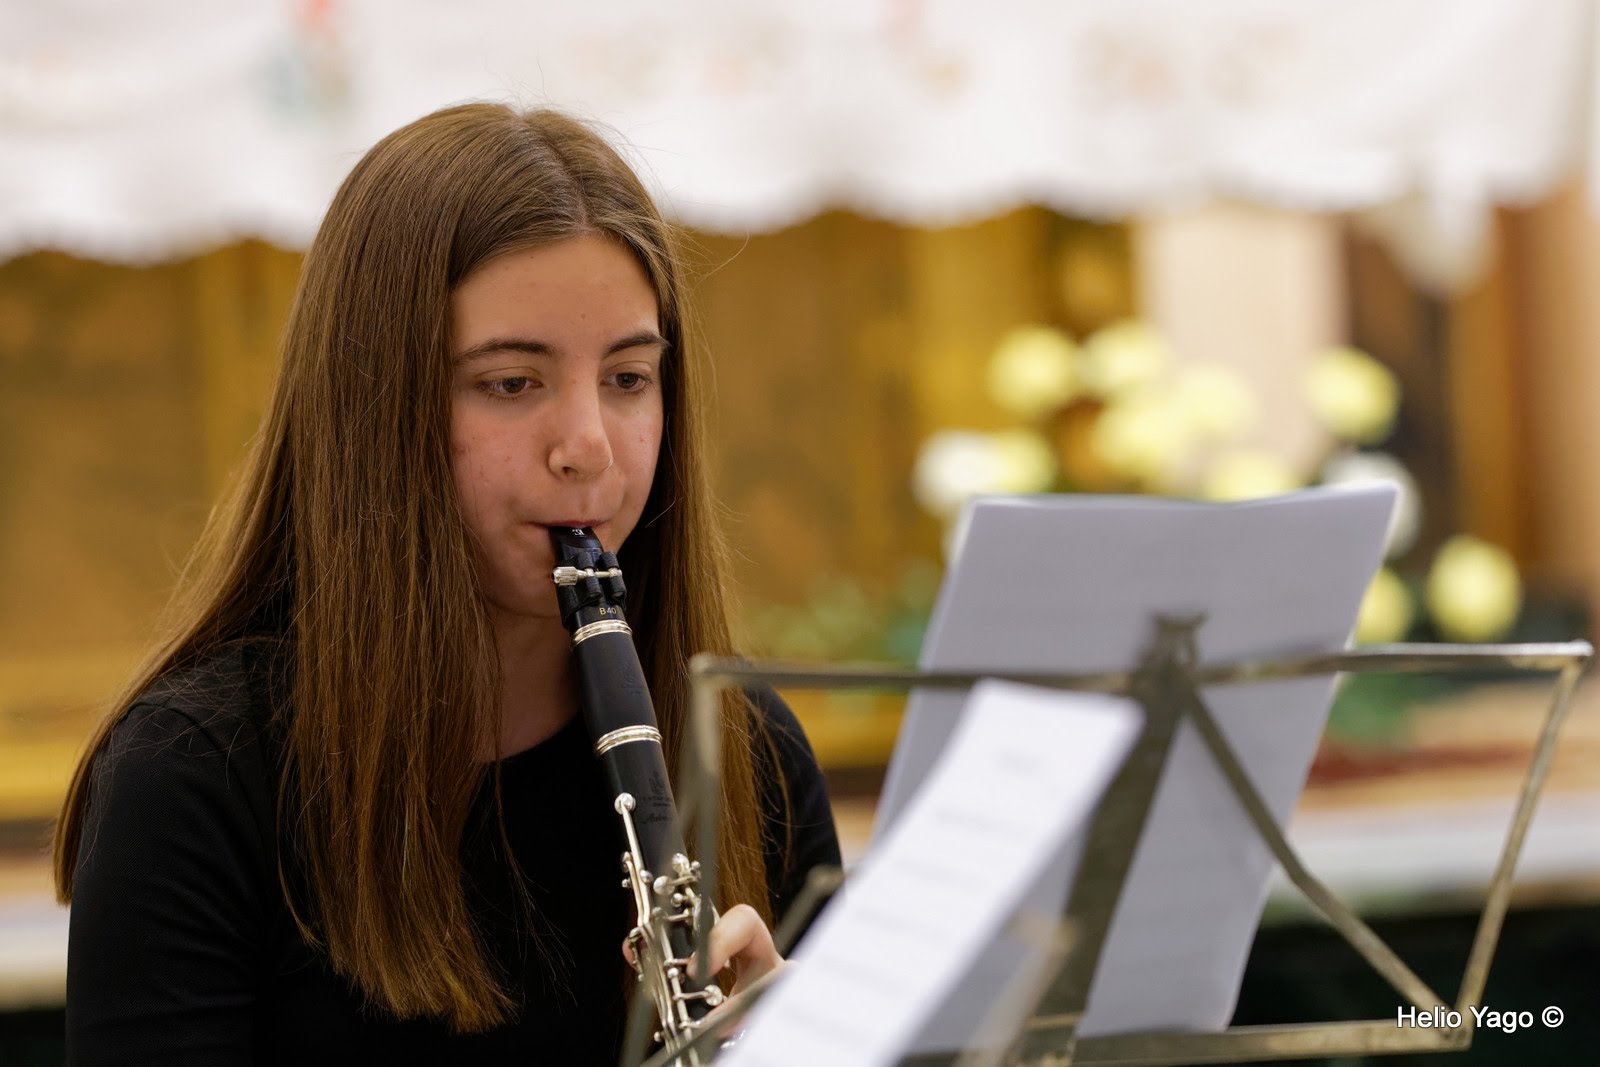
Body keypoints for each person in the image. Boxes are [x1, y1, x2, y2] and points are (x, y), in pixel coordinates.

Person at [53, 102, 841, 1064]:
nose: (588, 446)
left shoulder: (744, 752)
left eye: (629, 377)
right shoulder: (195, 782)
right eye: (512, 382)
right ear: (376, 412)